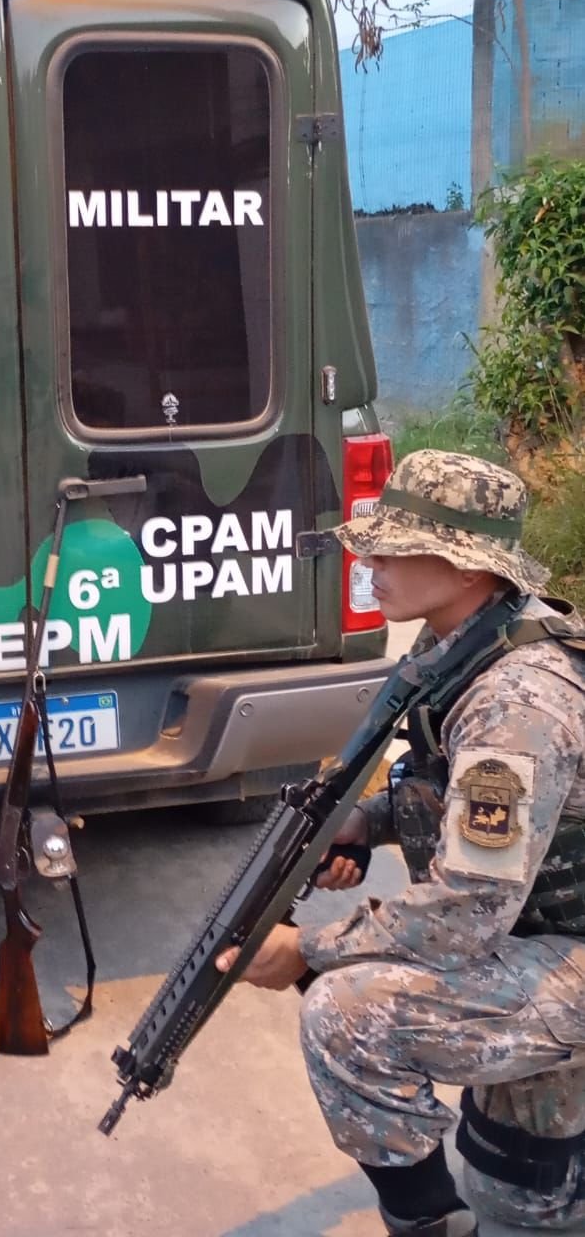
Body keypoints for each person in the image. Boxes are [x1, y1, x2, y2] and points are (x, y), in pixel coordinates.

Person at [216, 449, 585, 1236]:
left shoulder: (515, 703)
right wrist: (370, 818)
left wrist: (312, 950)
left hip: (558, 941)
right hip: (541, 929)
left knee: (347, 1013)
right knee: (518, 1188)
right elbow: (454, 794)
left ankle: (426, 1224)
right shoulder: (456, 646)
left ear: (465, 569)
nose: (369, 562)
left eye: (395, 548)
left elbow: (469, 906)